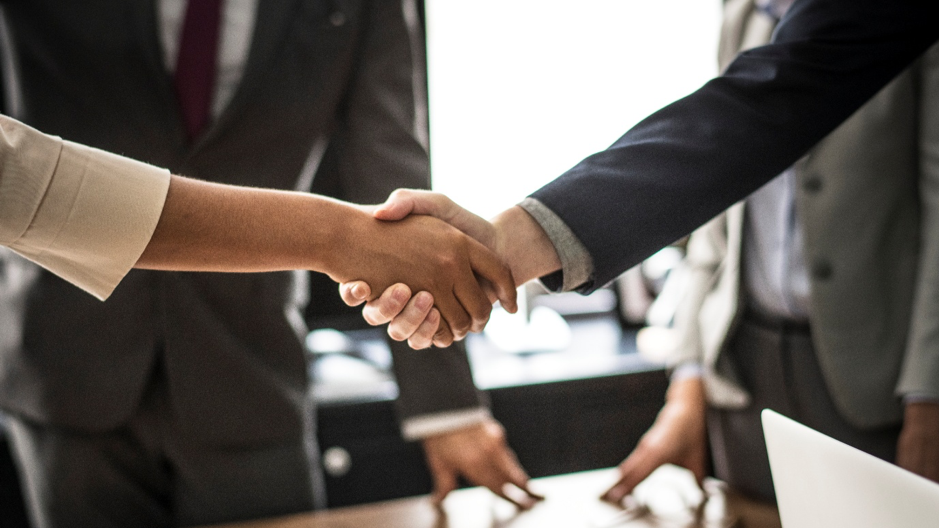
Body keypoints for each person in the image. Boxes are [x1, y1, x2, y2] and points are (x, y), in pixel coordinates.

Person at [0, 2, 535, 527]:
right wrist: (333, 237)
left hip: (249, 368)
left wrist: (447, 406)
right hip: (62, 359)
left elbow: (391, 176)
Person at [596, 0, 939, 503]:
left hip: (876, 382)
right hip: (742, 370)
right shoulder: (741, 13)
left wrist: (930, 394)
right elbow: (718, 208)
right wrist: (688, 375)